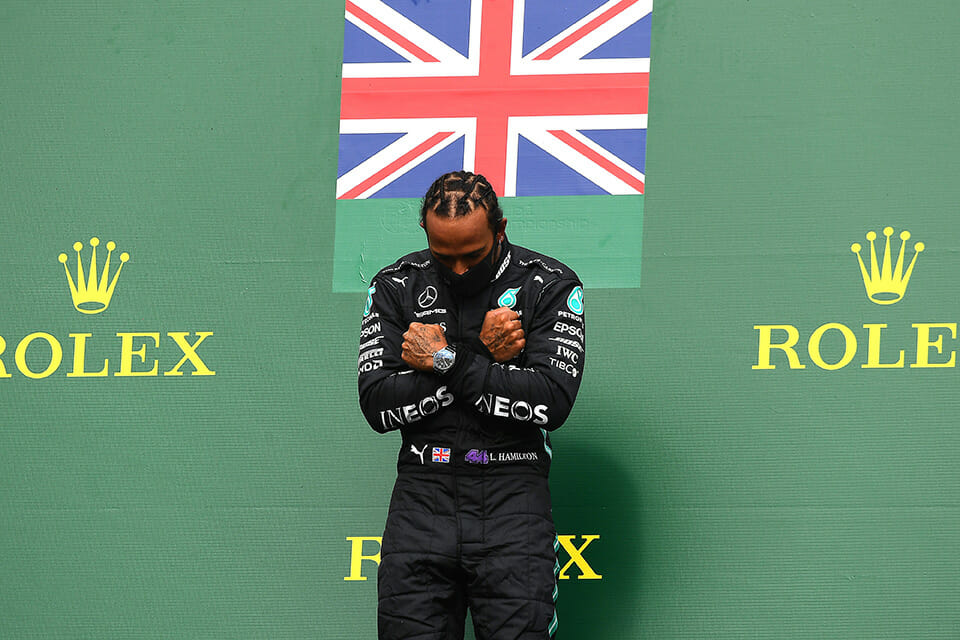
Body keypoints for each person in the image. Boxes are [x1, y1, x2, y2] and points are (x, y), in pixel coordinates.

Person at [357, 171, 586, 640]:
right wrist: (485, 365)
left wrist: (441, 360)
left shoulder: (549, 284)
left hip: (512, 499)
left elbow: (551, 400)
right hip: (421, 498)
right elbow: (377, 403)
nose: (459, 269)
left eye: (473, 255)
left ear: (500, 230)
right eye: (445, 257)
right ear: (424, 232)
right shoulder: (396, 285)